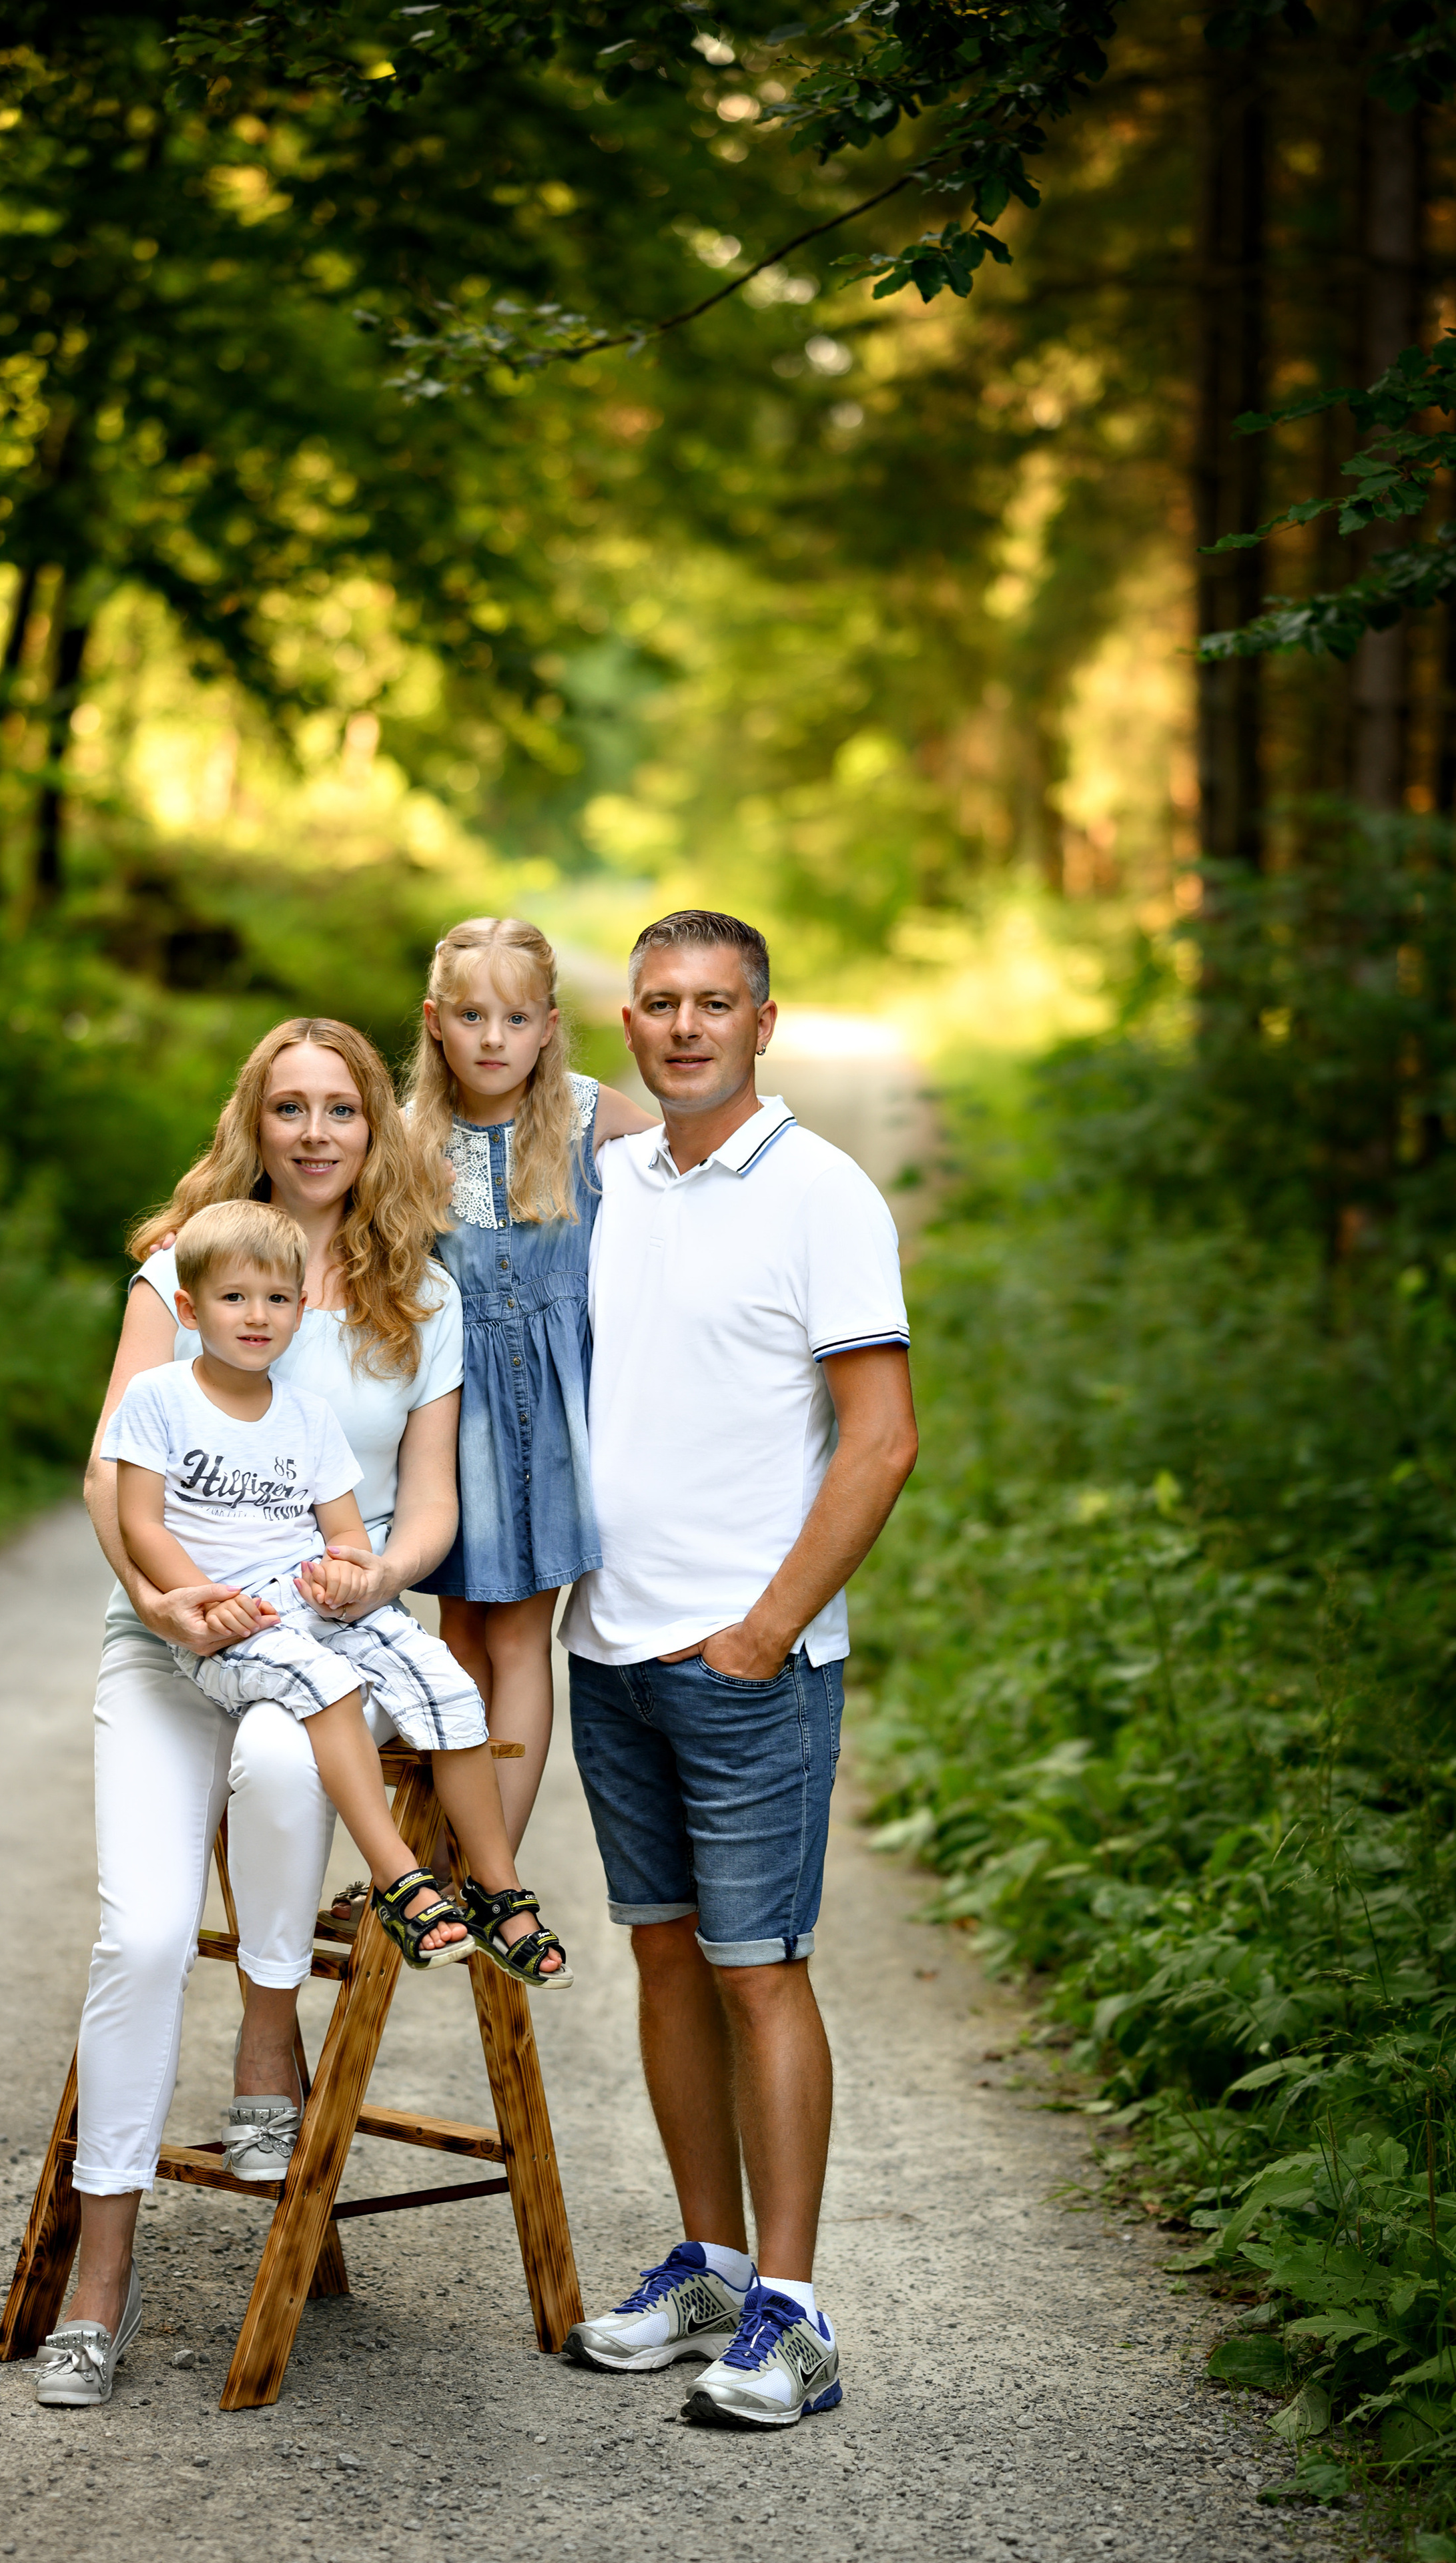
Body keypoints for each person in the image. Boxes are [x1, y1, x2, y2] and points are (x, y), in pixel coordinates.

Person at [37, 1015, 559, 2413]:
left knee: (283, 1754)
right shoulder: (190, 1260)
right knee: (141, 1934)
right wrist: (157, 1600)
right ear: (254, 1124)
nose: (316, 1133)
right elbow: (109, 1473)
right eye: (290, 1108)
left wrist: (377, 1574)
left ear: (376, 1125)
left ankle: (268, 2039)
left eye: (342, 1107)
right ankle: (101, 2273)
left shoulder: (419, 1294)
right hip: (170, 1634)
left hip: (327, 1631)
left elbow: (430, 1501)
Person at [559, 910, 919, 2430]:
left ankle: (795, 2309)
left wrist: (767, 1627)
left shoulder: (822, 1193)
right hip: (608, 1649)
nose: (686, 1026)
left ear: (765, 1023)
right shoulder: (614, 1181)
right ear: (629, 1023)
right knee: (662, 1957)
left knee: (757, 1968)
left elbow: (880, 1439)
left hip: (748, 1664)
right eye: (659, 1002)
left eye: (716, 1004)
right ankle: (708, 2267)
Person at [103, 1195, 571, 1984]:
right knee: (328, 1685)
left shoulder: (309, 1416)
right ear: (189, 1309)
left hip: (312, 1606)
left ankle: (496, 1888)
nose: (257, 1316)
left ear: (301, 1310)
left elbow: (345, 1531)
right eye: (233, 1297)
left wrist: (350, 1571)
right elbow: (140, 1523)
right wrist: (204, 1597)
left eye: (276, 1299)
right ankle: (400, 1879)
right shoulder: (162, 1400)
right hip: (233, 1623)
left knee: (448, 1685)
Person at [403, 917, 653, 1848]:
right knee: (457, 1637)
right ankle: (447, 1853)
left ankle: (488, 1866)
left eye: (515, 1018)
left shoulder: (589, 1114)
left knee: (516, 1638)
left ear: (549, 1026)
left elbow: (693, 1176)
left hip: (552, 1417)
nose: (493, 1039)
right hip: (450, 1417)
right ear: (435, 1022)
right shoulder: (407, 1138)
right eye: (471, 1016)